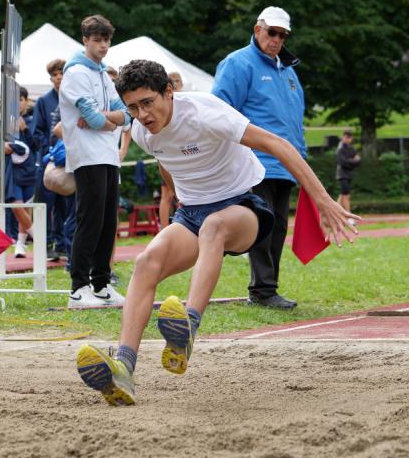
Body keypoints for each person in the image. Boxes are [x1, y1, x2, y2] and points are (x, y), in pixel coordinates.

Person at [76, 60, 359, 406]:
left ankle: (187, 330)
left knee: (214, 226)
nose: (142, 114)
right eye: (133, 107)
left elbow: (280, 145)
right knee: (146, 261)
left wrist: (323, 200)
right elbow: (167, 160)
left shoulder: (205, 112)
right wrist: (173, 194)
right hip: (192, 214)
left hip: (242, 208)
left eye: (148, 103)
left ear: (169, 92)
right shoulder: (141, 131)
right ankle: (124, 367)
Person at [212, 6, 306, 309]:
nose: (276, 39)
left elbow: (294, 122)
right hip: (255, 162)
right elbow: (219, 112)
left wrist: (300, 160)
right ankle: (263, 290)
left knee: (278, 227)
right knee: (263, 226)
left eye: (282, 34)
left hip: (286, 164)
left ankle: (268, 288)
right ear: (257, 30)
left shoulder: (289, 72)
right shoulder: (237, 64)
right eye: (272, 32)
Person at [59, 15, 128, 308]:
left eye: (106, 40)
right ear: (85, 40)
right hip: (87, 156)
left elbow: (125, 114)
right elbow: (94, 116)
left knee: (108, 220)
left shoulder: (102, 73)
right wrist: (106, 120)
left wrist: (106, 120)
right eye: (97, 40)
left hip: (108, 154)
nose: (102, 45)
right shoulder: (75, 73)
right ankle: (78, 287)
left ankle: (101, 284)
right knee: (90, 220)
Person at [0, 87, 37, 257]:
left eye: (21, 99)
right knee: (17, 206)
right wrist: (2, 147)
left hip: (30, 170)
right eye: (14, 101)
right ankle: (39, 238)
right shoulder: (3, 123)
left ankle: (20, 245)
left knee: (27, 208)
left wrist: (25, 130)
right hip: (11, 171)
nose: (18, 103)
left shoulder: (33, 119)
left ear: (26, 101)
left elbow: (38, 144)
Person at [31, 59, 68, 260]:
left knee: (65, 204)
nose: (59, 77)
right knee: (46, 205)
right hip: (48, 160)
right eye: (55, 74)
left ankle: (61, 244)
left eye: (61, 73)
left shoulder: (74, 97)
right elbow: (35, 132)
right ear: (51, 78)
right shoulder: (44, 101)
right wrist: (51, 151)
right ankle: (44, 245)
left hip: (70, 160)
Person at [158, 72, 184, 226]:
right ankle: (164, 228)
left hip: (185, 155)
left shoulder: (187, 102)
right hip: (169, 155)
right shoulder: (163, 103)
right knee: (166, 196)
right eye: (172, 81)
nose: (175, 84)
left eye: (177, 80)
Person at [336, 131, 360, 212]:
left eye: (350, 137)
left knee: (342, 194)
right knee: (346, 195)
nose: (348, 139)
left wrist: (349, 161)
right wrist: (352, 161)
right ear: (343, 137)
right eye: (346, 137)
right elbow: (342, 162)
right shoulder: (340, 148)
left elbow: (358, 161)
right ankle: (348, 214)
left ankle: (336, 212)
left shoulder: (351, 148)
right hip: (342, 175)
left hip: (349, 174)